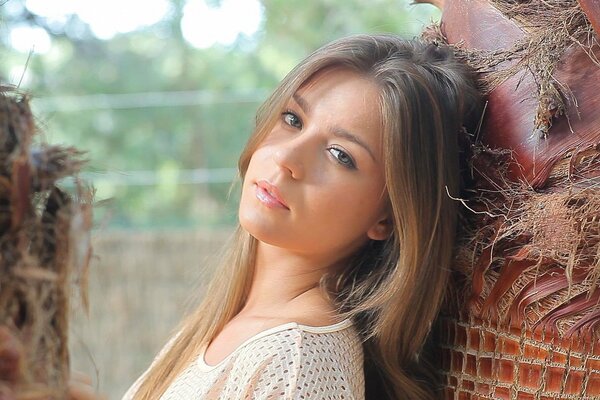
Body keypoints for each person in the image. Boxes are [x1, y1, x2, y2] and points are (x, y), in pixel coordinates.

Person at [0, 34, 480, 400]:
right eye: (293, 119)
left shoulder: (297, 365)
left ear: (388, 218)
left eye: (339, 155)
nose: (287, 156)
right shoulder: (227, 324)